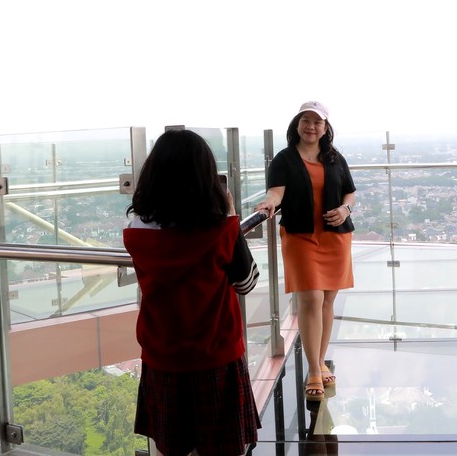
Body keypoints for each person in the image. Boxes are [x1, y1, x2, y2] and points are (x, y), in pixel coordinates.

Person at [123, 129, 260, 456]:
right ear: (206, 177)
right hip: (216, 356)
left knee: (173, 449)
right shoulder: (220, 231)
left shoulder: (136, 231)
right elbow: (246, 282)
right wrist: (230, 216)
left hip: (162, 357)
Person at [255, 101, 356, 401]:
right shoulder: (284, 159)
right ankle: (314, 369)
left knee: (326, 300)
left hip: (335, 237)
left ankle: (320, 361)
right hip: (301, 236)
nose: (311, 127)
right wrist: (268, 203)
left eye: (317, 122)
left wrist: (345, 209)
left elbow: (350, 190)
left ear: (326, 128)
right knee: (310, 298)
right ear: (297, 125)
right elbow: (276, 191)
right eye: (306, 121)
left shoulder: (334, 157)